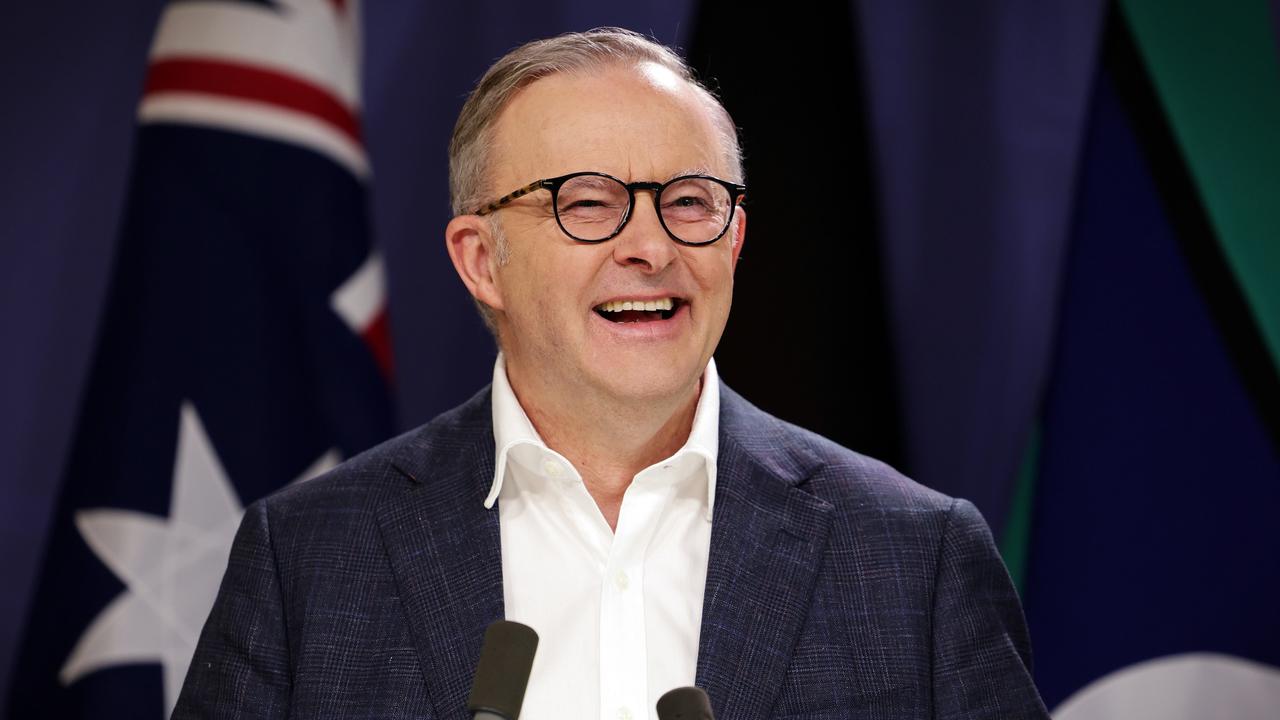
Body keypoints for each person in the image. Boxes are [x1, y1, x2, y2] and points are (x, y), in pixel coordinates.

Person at [174, 28, 1049, 720]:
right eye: (587, 202)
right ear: (482, 261)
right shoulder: (310, 559)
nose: (651, 246)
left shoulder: (914, 556)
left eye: (690, 202)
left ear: (734, 242)